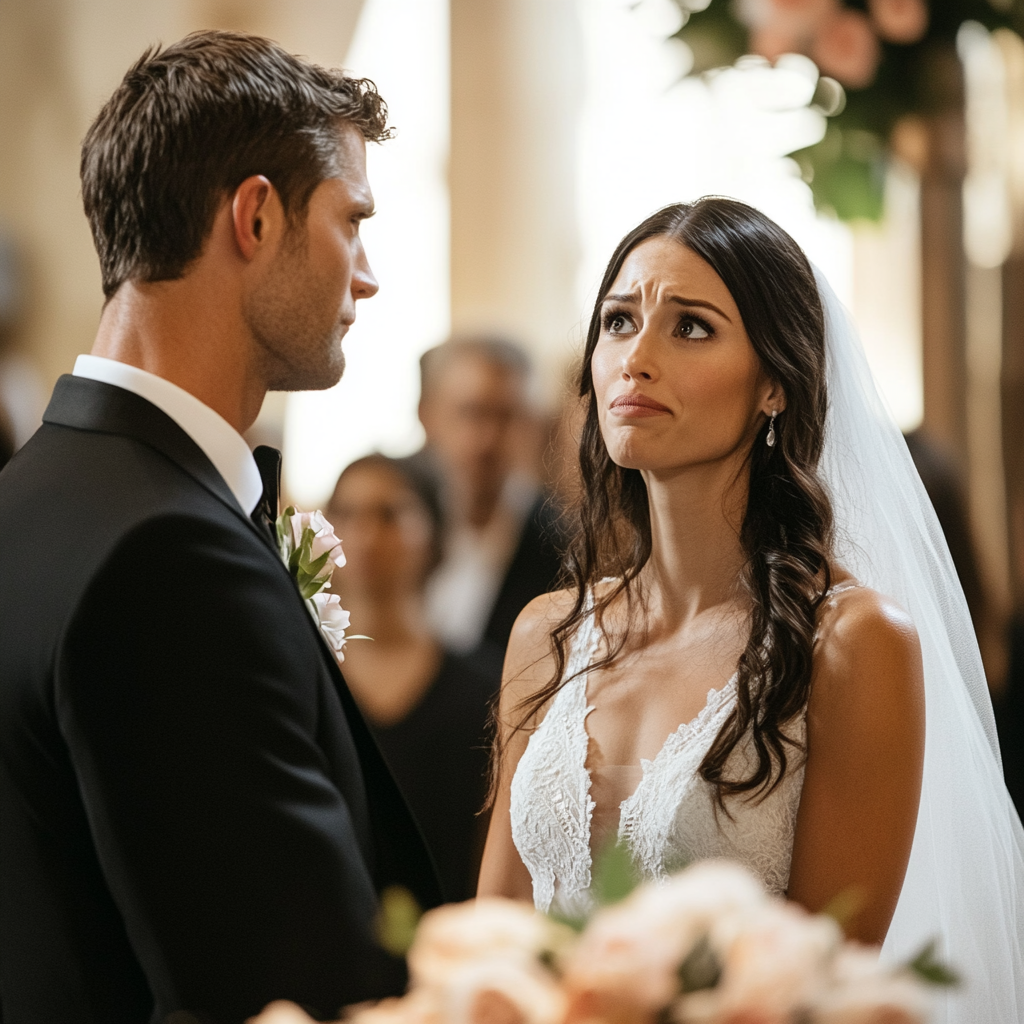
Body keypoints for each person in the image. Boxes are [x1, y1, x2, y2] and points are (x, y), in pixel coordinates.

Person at [479, 199, 1024, 1023]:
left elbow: (822, 978)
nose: (638, 358)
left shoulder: (851, 643)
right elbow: (496, 939)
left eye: (690, 327)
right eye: (619, 322)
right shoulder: (546, 633)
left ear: (774, 382)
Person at [0, 32, 440, 1024]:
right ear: (255, 215)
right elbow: (278, 985)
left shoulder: (29, 499)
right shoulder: (170, 557)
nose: (365, 275)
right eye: (350, 223)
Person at [326, 454, 497, 902]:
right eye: (346, 514)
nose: (365, 535)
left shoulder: (488, 690)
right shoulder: (304, 679)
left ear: (435, 533)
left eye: (389, 514)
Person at [416, 337, 564, 673]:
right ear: (427, 416)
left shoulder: (565, 545)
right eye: (471, 413)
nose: (487, 439)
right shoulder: (388, 526)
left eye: (507, 416)